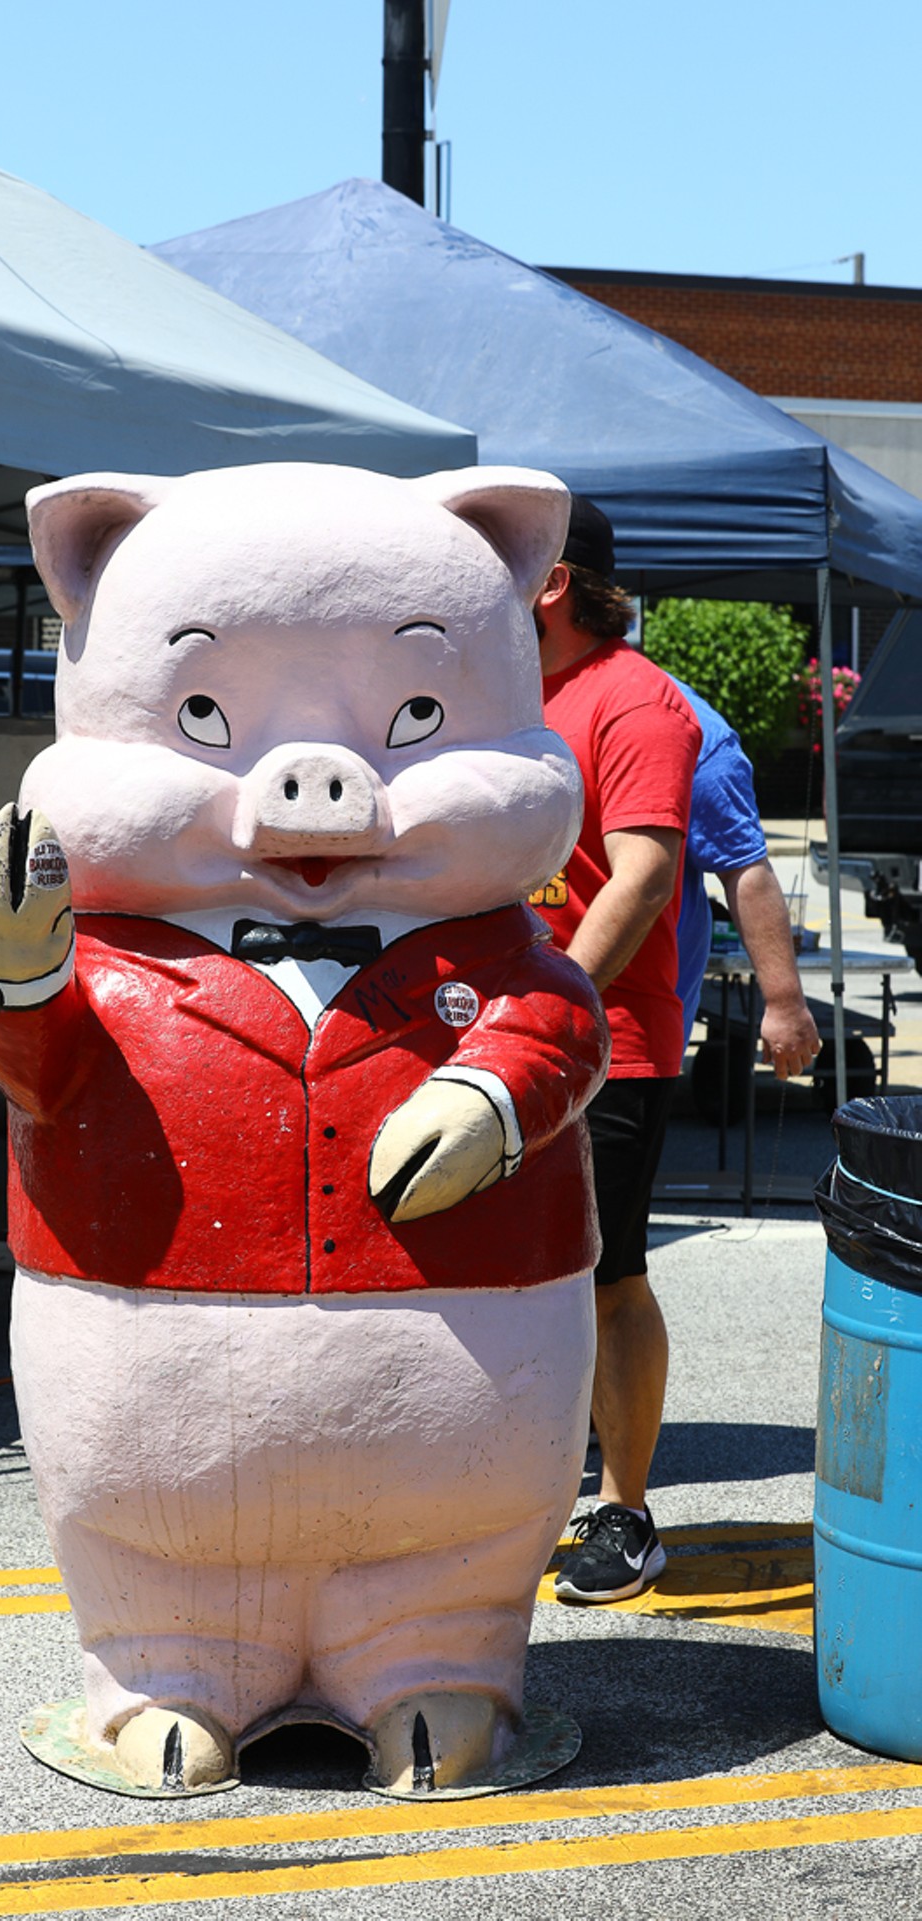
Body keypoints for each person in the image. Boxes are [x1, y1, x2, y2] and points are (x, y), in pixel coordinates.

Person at [531, 496, 700, 1605]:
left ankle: (626, 1511)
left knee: (605, 1279)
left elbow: (638, 878)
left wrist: (552, 1001)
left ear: (550, 582)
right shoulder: (504, 700)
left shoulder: (636, 703)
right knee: (513, 1283)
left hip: (603, 1044)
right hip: (492, 1037)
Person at [672, 677, 821, 1076]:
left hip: (632, 1021)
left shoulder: (686, 721)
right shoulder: (505, 695)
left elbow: (744, 868)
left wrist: (785, 1002)